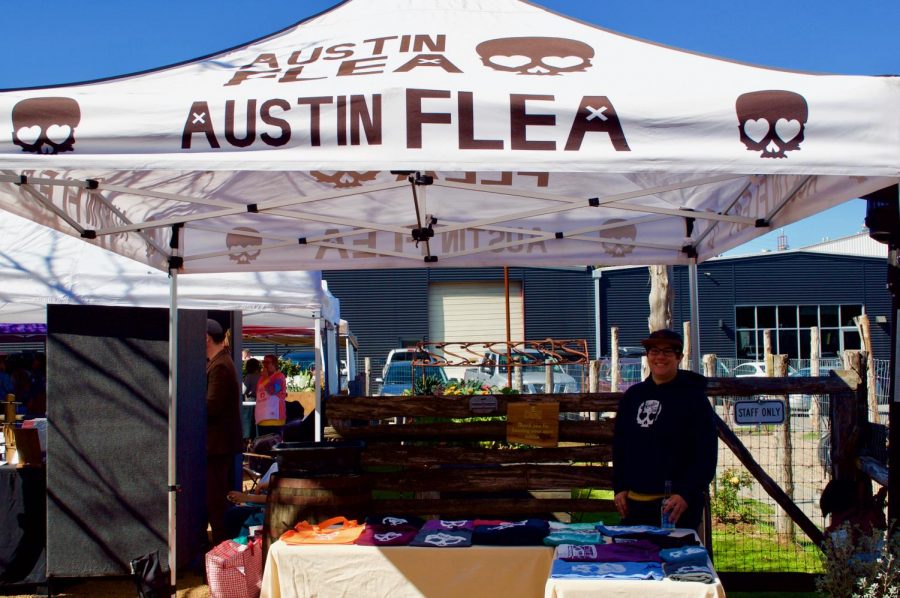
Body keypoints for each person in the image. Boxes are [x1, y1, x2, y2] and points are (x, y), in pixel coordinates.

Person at [612, 329, 718, 530]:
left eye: (668, 351)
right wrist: (619, 487)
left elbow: (706, 453)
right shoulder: (633, 397)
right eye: (654, 351)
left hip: (676, 508)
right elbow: (620, 445)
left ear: (679, 357)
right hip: (635, 506)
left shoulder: (694, 399)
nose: (660, 357)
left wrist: (687, 493)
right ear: (647, 355)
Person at [205, 318, 244, 545]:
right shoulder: (222, 361)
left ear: (206, 338)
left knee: (215, 500)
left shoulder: (220, 365)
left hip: (217, 445)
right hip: (220, 443)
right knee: (217, 499)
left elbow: (212, 405)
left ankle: (221, 549)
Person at [255, 354, 287, 427]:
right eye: (263, 362)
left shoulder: (279, 376)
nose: (264, 365)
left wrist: (266, 378)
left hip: (275, 420)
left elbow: (273, 391)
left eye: (267, 362)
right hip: (261, 419)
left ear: (274, 364)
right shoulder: (261, 378)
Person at [241, 358, 262, 441]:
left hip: (250, 402)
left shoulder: (249, 377)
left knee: (248, 425)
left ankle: (248, 442)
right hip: (260, 402)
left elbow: (243, 391)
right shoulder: (261, 376)